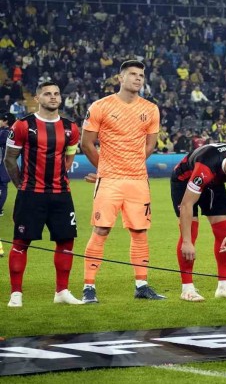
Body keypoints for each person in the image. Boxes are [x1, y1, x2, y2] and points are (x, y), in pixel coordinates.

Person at [79, 60, 163, 303]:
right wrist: (105, 168)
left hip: (138, 180)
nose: (138, 79)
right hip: (110, 180)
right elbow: (87, 143)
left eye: (141, 75)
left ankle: (141, 285)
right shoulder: (100, 106)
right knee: (101, 229)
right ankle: (88, 287)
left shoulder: (151, 109)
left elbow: (150, 145)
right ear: (120, 78)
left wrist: (131, 165)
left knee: (139, 231)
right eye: (133, 74)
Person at [4, 82, 83, 307]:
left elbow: (68, 160)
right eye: (47, 94)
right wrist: (22, 185)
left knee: (66, 241)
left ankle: (62, 291)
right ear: (37, 98)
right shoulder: (22, 125)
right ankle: (16, 294)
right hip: (31, 194)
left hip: (61, 194)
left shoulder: (71, 128)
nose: (53, 97)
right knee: (21, 242)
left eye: (56, 93)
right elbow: (10, 159)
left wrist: (57, 179)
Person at [172, 143, 226, 301]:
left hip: (214, 182)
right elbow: (186, 205)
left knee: (224, 231)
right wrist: (186, 242)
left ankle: (224, 286)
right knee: (190, 232)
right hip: (184, 180)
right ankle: (187, 289)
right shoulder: (205, 167)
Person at [0, 113, 15, 224]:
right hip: (5, 165)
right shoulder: (8, 131)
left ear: (5, 121)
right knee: (3, 187)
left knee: (3, 186)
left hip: (3, 165)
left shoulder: (6, 133)